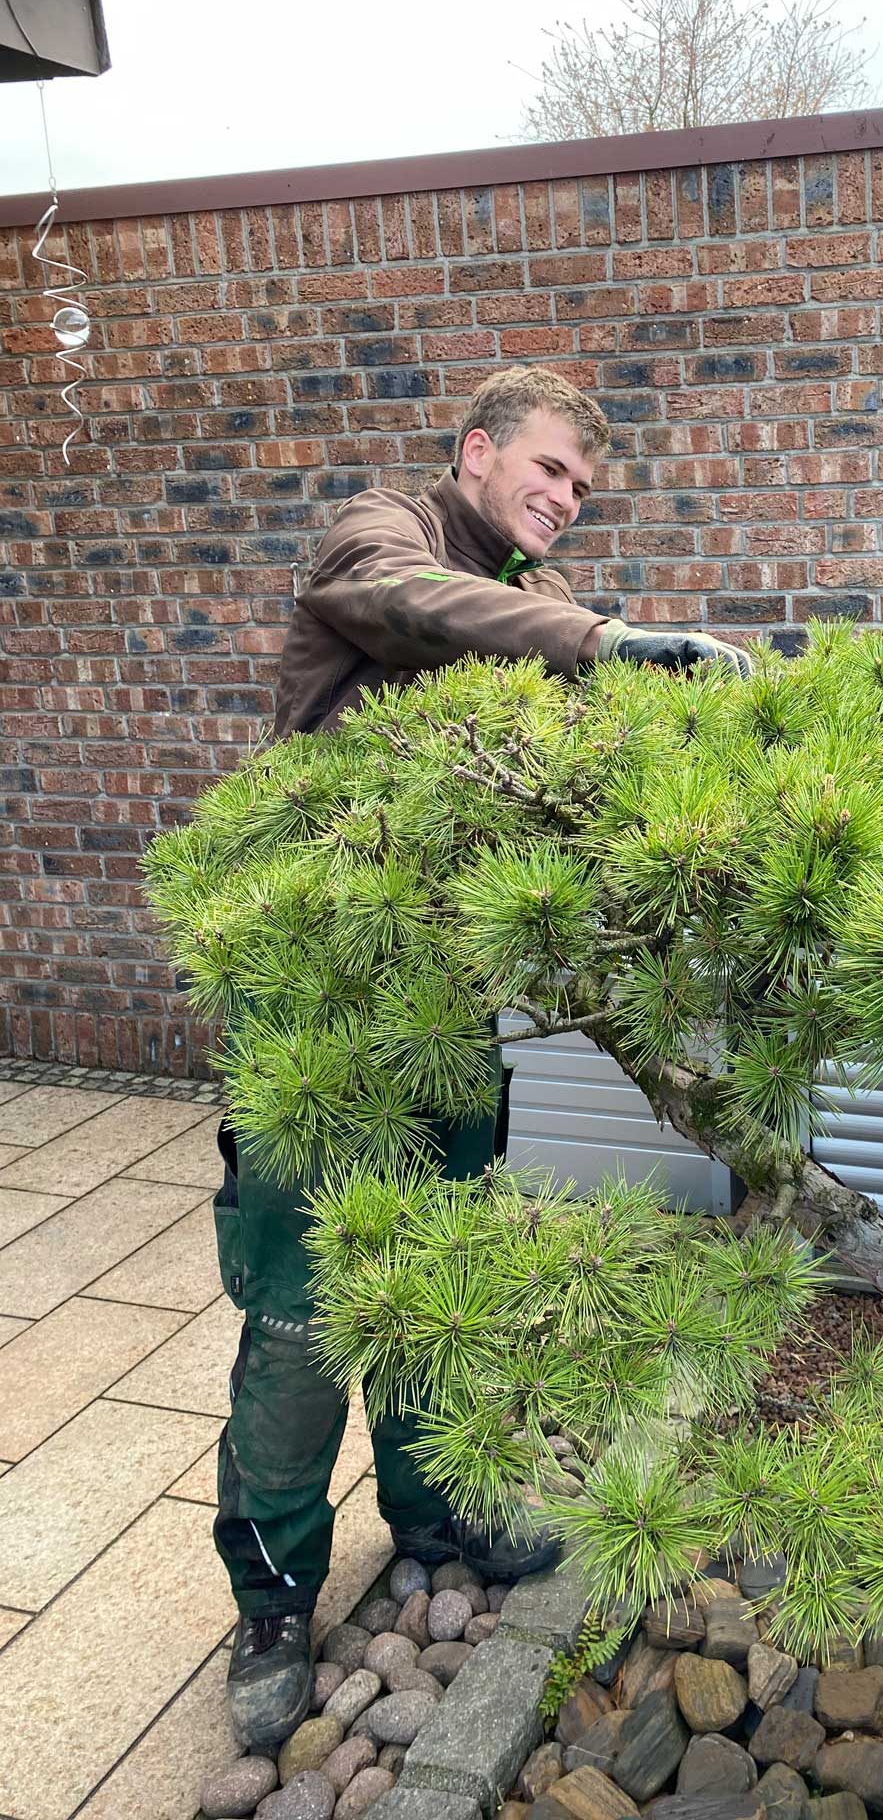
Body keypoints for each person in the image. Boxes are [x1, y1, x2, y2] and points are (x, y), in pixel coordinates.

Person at [219, 366, 751, 1747]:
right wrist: (598, 640)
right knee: (299, 1302)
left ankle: (431, 1505)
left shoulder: (530, 613)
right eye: (553, 468)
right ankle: (271, 1595)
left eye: (582, 487)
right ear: (477, 450)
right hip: (320, 1009)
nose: (566, 501)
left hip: (445, 1004)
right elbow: (412, 603)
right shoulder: (380, 538)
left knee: (441, 1264)